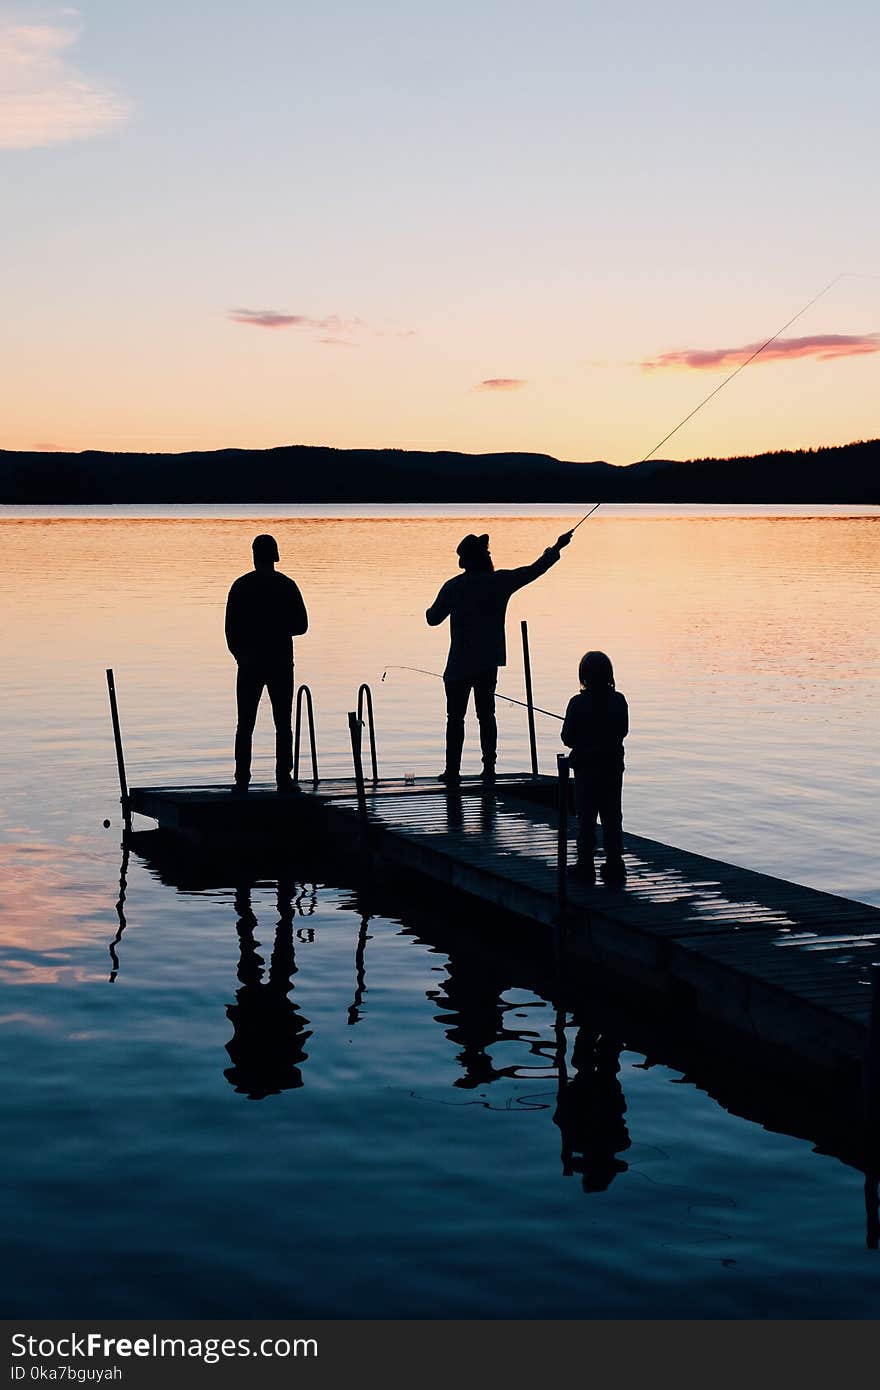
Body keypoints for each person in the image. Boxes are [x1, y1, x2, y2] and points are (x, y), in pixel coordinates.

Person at [426, 529, 571, 783]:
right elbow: (534, 570)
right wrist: (556, 547)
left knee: (455, 718)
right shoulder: (499, 582)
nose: (491, 554)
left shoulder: (454, 586)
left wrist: (437, 605)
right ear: (483, 558)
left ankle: (452, 771)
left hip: (458, 665)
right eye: (488, 552)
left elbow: (432, 619)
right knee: (486, 715)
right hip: (486, 663)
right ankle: (489, 768)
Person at [224, 534, 308, 794]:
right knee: (283, 722)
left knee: (245, 724)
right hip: (280, 662)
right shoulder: (287, 585)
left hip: (249, 663)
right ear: (275, 556)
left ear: (254, 555)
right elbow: (302, 626)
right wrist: (279, 628)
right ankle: (284, 777)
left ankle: (242, 779)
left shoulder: (240, 586)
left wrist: (241, 655)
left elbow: (230, 631)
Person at [561, 650, 628, 886]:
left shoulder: (577, 703)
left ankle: (585, 864)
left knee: (586, 817)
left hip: (586, 770)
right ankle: (615, 864)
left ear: (584, 676)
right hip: (612, 768)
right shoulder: (619, 700)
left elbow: (567, 738)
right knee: (612, 816)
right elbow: (623, 731)